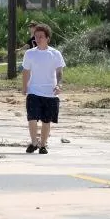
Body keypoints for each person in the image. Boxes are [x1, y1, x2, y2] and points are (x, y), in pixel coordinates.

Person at [22, 23, 66, 155]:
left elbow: (59, 72)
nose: (38, 39)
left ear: (48, 38)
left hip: (50, 93)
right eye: (36, 36)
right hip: (34, 91)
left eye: (41, 36)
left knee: (46, 121)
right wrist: (24, 87)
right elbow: (26, 71)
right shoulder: (30, 54)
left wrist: (59, 85)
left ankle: (42, 145)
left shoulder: (55, 53)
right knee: (32, 118)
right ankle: (34, 142)